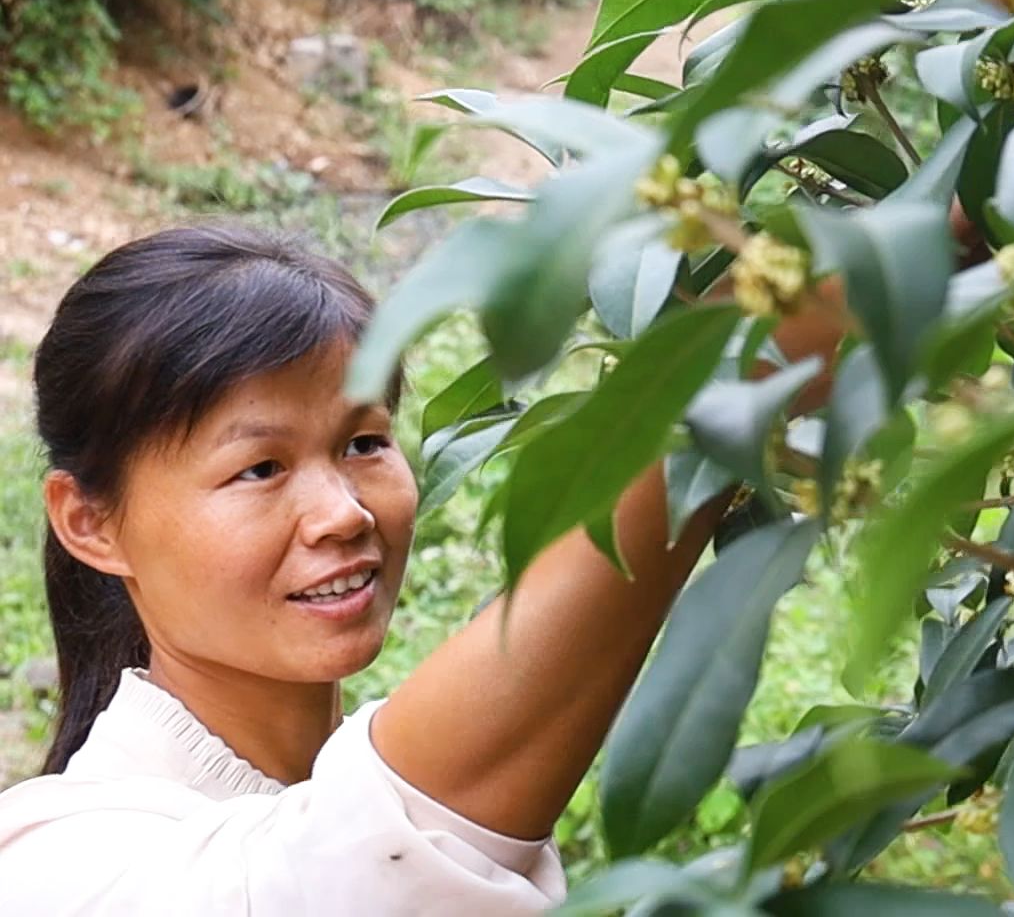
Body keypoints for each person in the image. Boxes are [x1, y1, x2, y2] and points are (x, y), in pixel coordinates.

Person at [0, 223, 845, 914]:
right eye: (259, 468)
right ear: (90, 521)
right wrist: (728, 382)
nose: (344, 513)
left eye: (365, 443)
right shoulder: (55, 865)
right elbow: (359, 864)